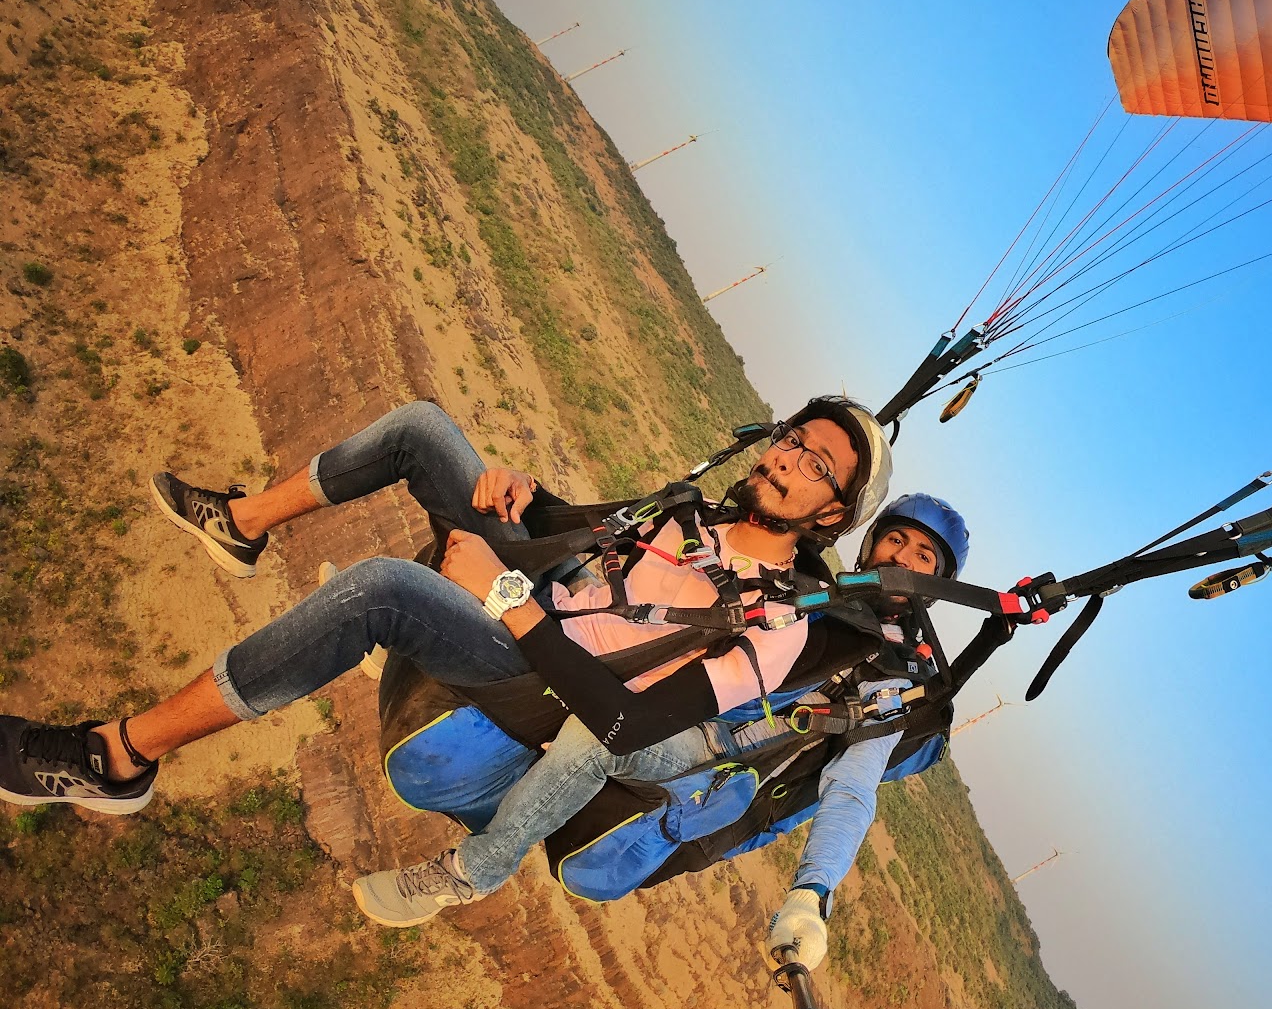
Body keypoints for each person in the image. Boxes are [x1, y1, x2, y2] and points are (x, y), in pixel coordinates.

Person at [0, 397, 891, 816]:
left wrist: (500, 594)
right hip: (535, 603)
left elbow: (625, 722)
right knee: (425, 431)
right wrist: (527, 497)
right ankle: (240, 523)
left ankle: (115, 757)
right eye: (792, 440)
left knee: (383, 588)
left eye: (818, 465)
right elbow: (587, 548)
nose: (786, 460)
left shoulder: (780, 621)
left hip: (538, 685)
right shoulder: (702, 514)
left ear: (831, 514)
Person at [349, 493, 973, 976]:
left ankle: (475, 870)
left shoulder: (889, 675)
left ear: (935, 587)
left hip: (705, 748)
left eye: (925, 559)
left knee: (604, 735)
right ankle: (404, 634)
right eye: (897, 540)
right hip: (672, 686)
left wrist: (813, 892)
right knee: (546, 591)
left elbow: (853, 790)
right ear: (870, 546)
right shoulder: (810, 592)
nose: (904, 560)